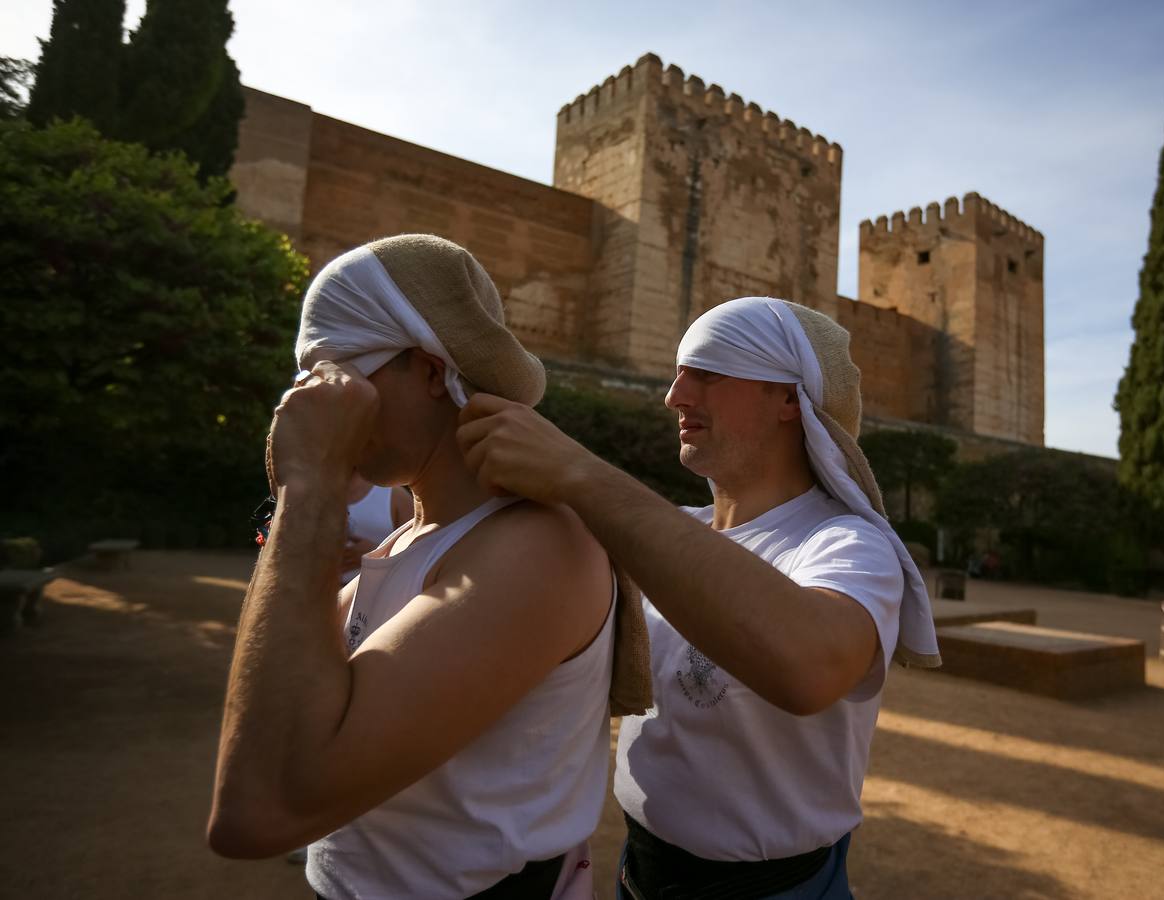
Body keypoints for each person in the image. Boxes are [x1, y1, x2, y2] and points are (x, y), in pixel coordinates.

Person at [207, 234, 650, 900]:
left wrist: (309, 490)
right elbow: (286, 703)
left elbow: (260, 806)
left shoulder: (535, 548)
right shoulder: (408, 540)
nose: (309, 401)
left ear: (428, 368)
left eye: (333, 374)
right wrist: (304, 504)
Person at [457, 296, 941, 898]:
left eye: (708, 373)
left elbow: (811, 667)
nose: (675, 395)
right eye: (679, 372)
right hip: (638, 875)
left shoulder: (846, 544)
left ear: (791, 398)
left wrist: (582, 474)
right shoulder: (671, 532)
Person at [340, 473, 414, 585]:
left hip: (381, 592)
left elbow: (417, 556)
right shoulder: (312, 493)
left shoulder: (395, 496)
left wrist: (377, 555)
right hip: (322, 594)